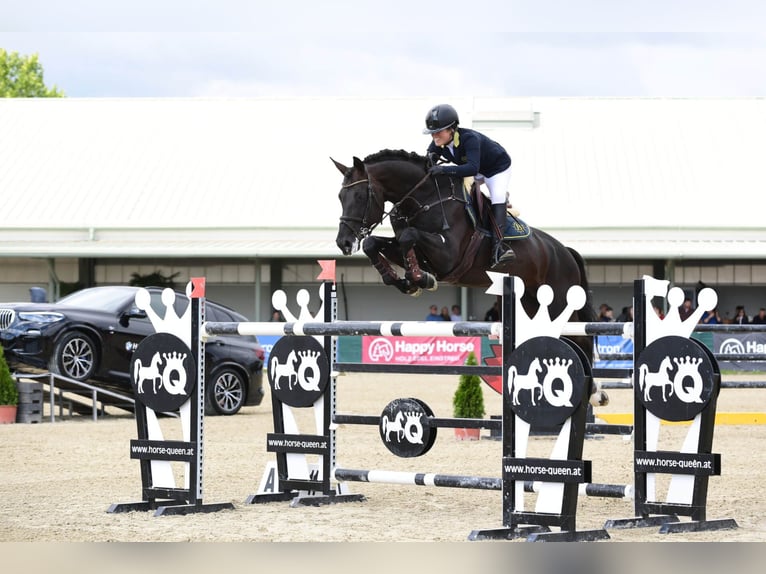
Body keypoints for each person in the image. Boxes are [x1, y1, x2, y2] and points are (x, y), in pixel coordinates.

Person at [423, 103, 514, 268]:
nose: (434, 136)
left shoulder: (469, 139)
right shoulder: (437, 144)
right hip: (475, 170)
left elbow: (472, 168)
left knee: (497, 198)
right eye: (432, 132)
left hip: (496, 169)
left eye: (438, 131)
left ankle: (499, 248)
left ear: (451, 129)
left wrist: (443, 169)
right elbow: (428, 163)